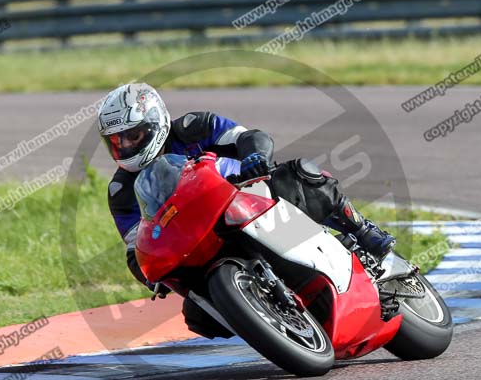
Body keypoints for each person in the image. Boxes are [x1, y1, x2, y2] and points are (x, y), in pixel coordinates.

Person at [99, 83, 394, 338]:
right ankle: (271, 324)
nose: (124, 147)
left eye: (132, 137)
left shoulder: (193, 128)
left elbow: (248, 136)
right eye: (116, 141)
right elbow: (136, 247)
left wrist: (255, 156)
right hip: (196, 241)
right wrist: (152, 274)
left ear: (155, 122)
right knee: (198, 315)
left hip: (248, 197)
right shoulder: (121, 191)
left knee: (298, 174)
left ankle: (362, 230)